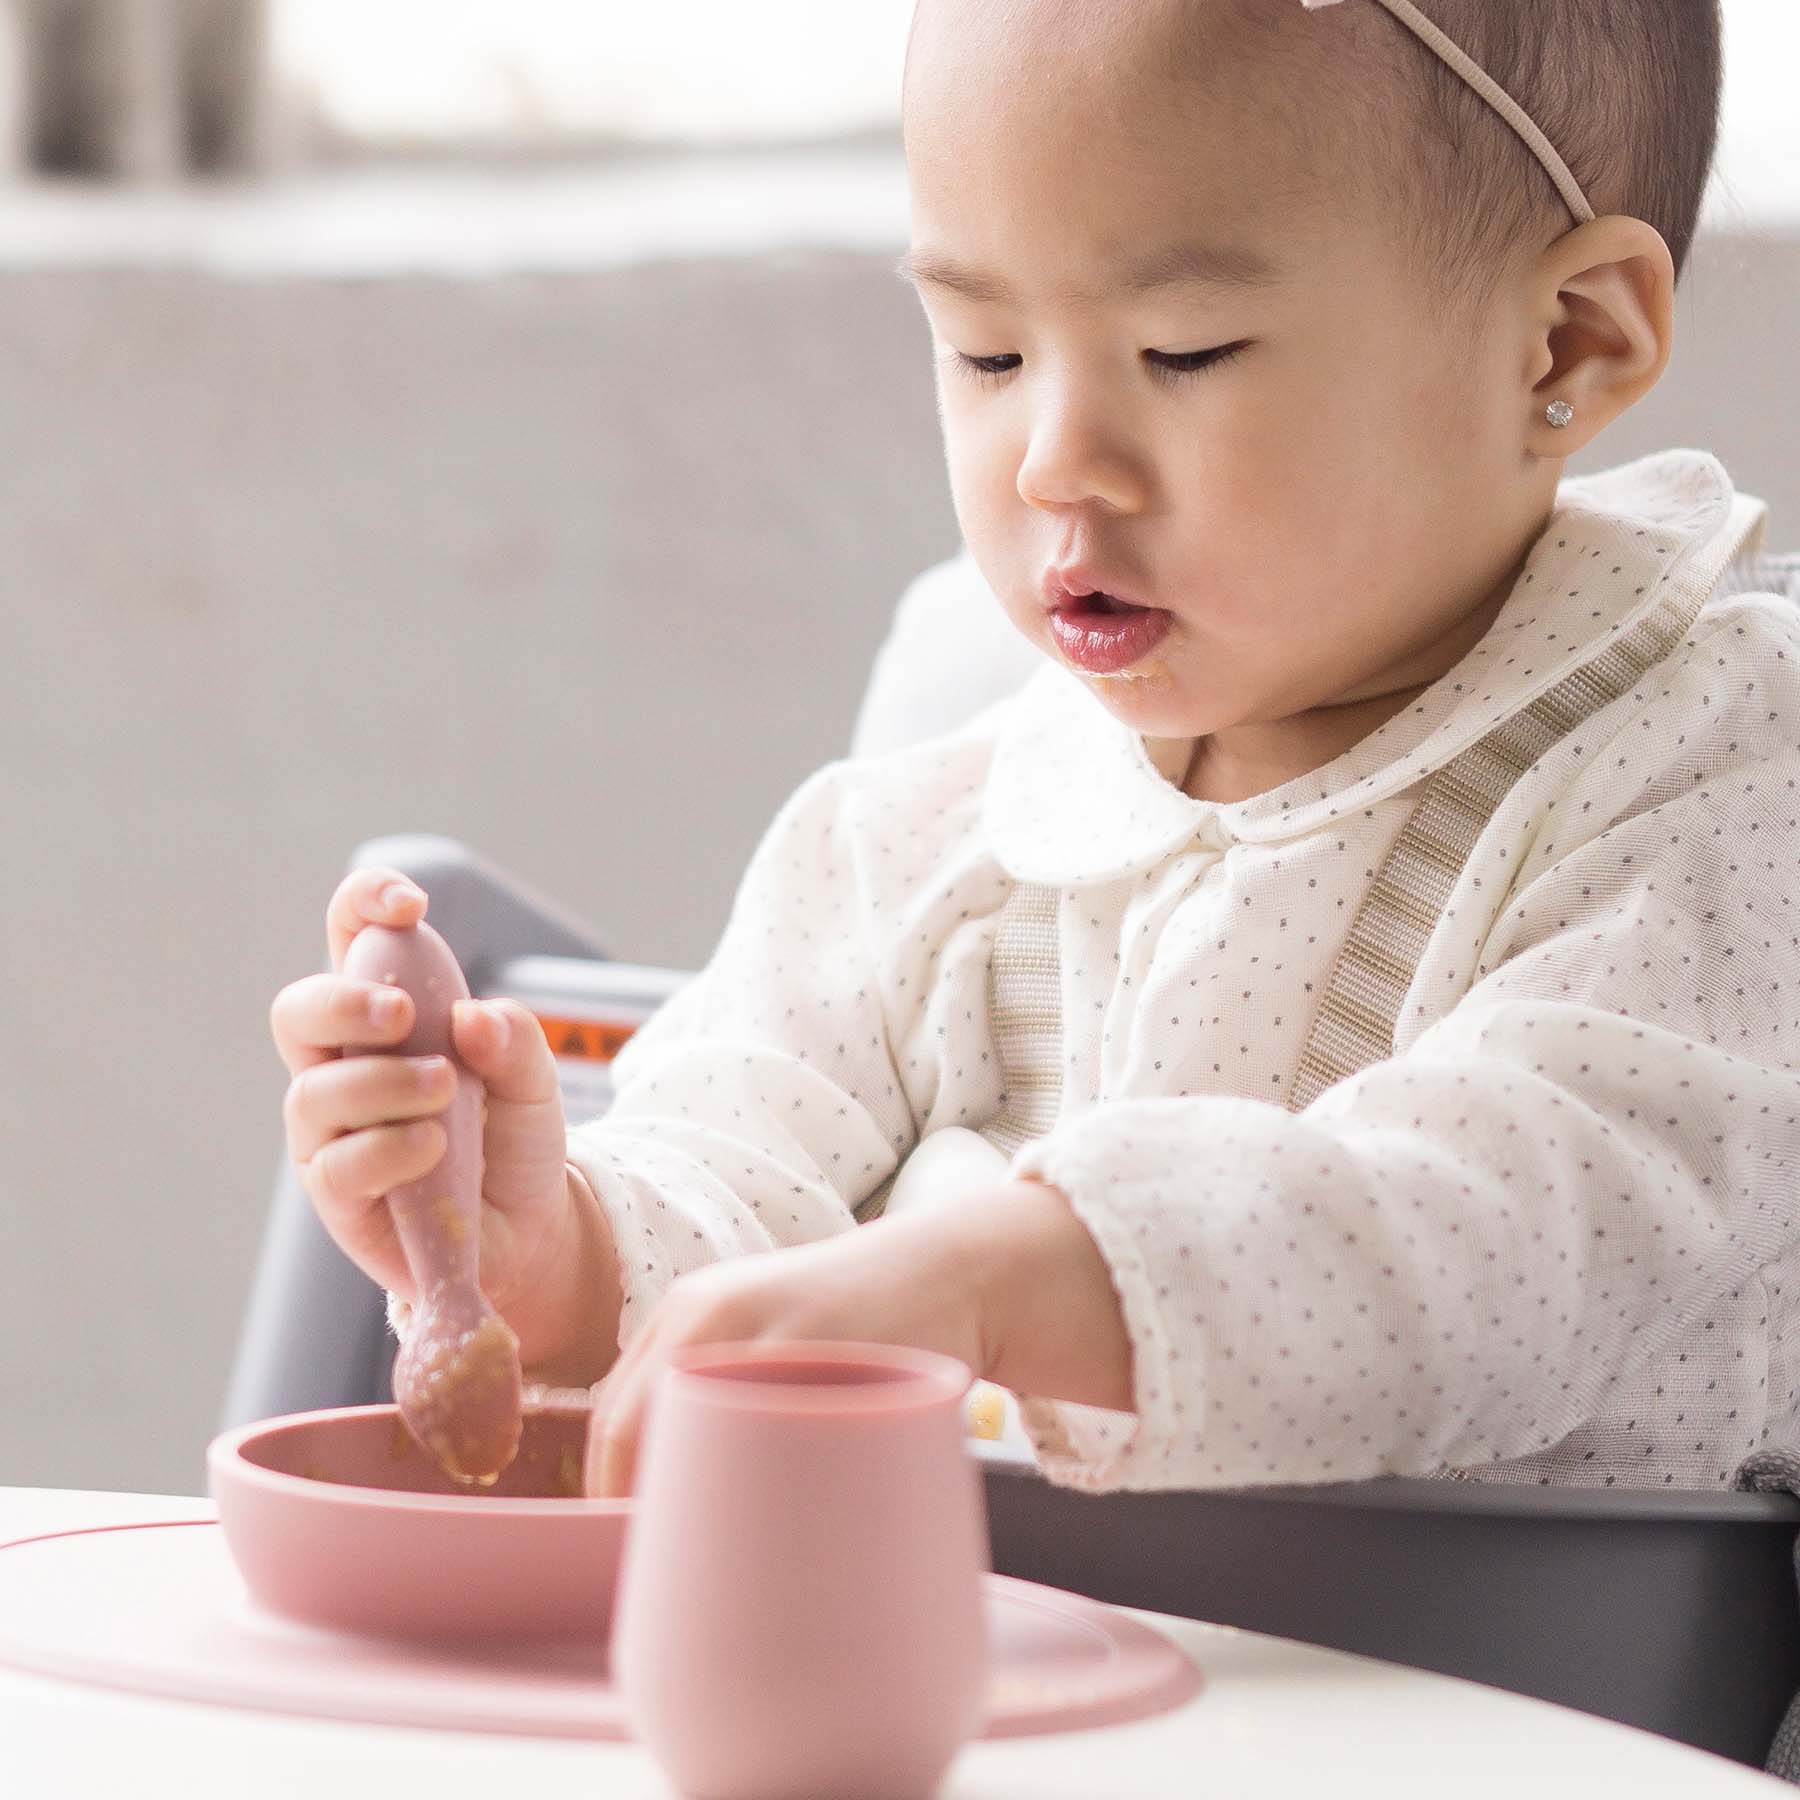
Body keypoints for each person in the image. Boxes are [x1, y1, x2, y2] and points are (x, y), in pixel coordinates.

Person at [270, 0, 1796, 1507]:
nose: (1054, 461)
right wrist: (557, 1257)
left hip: (1484, 1671)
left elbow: (1517, 1227)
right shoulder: (917, 841)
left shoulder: (1715, 775)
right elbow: (737, 1154)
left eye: (1185, 351)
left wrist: (1008, 1274)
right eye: (988, 354)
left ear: (1568, 340)